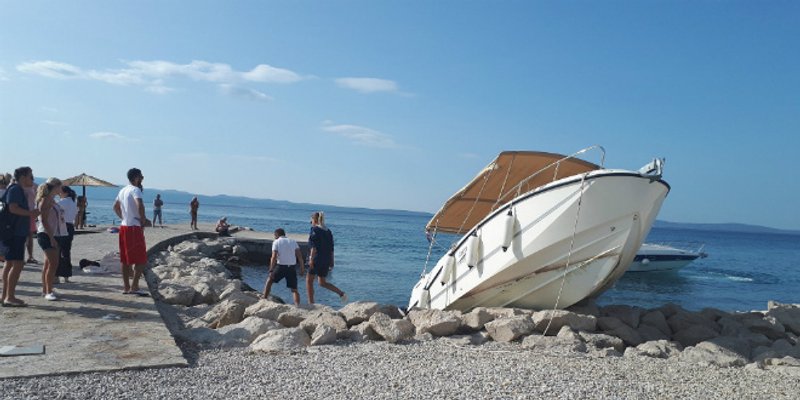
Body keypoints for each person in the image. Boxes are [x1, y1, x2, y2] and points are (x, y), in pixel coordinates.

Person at [2, 167, 41, 306]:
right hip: (14, 233)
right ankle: (10, 297)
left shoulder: (14, 189)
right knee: (17, 264)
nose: (32, 179)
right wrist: (31, 213)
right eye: (31, 176)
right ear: (23, 177)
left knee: (9, 264)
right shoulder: (16, 189)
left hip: (13, 232)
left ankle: (5, 295)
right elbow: (13, 208)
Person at [113, 168, 148, 296]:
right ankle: (134, 286)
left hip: (124, 227)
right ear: (136, 177)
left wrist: (124, 218)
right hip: (134, 227)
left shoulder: (122, 190)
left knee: (125, 258)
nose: (142, 179)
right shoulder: (135, 190)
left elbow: (115, 207)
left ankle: (126, 287)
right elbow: (140, 205)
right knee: (141, 259)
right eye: (141, 177)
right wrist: (142, 220)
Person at [306, 211, 347, 304]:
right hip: (326, 259)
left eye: (311, 220)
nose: (310, 222)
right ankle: (341, 293)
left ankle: (311, 303)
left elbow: (313, 247)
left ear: (314, 220)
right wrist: (332, 261)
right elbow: (331, 248)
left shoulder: (314, 230)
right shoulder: (328, 231)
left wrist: (311, 259)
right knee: (322, 282)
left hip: (317, 258)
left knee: (309, 281)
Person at [36, 178, 65, 300]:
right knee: (53, 264)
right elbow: (44, 220)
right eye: (60, 187)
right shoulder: (45, 200)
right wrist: (51, 237)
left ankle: (46, 289)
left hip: (53, 234)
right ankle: (48, 291)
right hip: (46, 234)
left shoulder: (52, 200)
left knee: (48, 263)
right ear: (55, 187)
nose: (61, 189)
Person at [263, 228, 305, 305]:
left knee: (269, 280)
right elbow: (299, 256)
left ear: (276, 235)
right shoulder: (293, 241)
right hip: (292, 267)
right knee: (294, 289)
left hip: (281, 266)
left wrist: (271, 270)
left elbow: (274, 257)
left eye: (274, 236)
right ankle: (297, 305)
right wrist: (302, 268)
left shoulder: (276, 242)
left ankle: (264, 298)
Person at [56, 186, 78, 283]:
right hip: (70, 226)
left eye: (60, 192)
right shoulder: (73, 202)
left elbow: (53, 208)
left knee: (58, 251)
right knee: (66, 251)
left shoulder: (63, 202)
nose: (59, 194)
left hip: (62, 226)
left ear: (65, 193)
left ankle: (56, 275)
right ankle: (66, 275)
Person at [25, 181, 38, 264]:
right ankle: (28, 256)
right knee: (27, 237)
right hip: (27, 214)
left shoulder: (31, 186)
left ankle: (29, 256)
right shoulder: (21, 188)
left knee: (29, 237)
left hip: (30, 214)